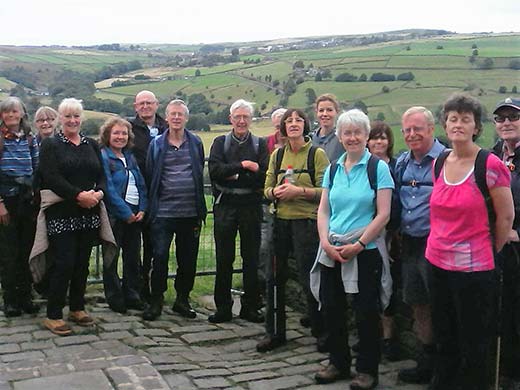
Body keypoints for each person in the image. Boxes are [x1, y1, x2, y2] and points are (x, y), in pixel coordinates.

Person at [426, 93, 514, 390]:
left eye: (466, 119)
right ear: (445, 125)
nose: (458, 124)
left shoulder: (488, 164)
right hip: (437, 263)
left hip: (474, 271)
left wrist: (489, 252)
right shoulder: (439, 162)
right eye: (453, 119)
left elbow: (505, 218)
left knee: (474, 341)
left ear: (477, 127)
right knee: (445, 334)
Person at [311, 109, 393, 389]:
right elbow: (324, 210)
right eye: (347, 132)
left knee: (366, 312)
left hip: (365, 250)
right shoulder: (333, 168)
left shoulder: (377, 169)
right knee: (332, 309)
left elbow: (383, 214)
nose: (353, 137)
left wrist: (358, 244)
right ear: (339, 136)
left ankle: (368, 370)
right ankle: (338, 362)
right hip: (332, 249)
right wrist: (324, 241)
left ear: (367, 136)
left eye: (358, 132)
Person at [257, 108, 329, 352]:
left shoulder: (317, 155)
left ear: (305, 126)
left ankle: (322, 332)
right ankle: (274, 332)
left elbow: (326, 192)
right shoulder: (277, 156)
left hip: (306, 224)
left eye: (299, 120)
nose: (294, 124)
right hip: (279, 222)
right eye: (290, 121)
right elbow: (265, 189)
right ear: (284, 128)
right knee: (273, 278)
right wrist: (274, 193)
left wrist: (300, 192)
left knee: (311, 279)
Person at [38, 98, 107, 335]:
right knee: (63, 262)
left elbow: (102, 174)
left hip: (89, 213)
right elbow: (51, 177)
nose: (72, 120)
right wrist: (78, 196)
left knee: (82, 263)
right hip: (62, 212)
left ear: (82, 118)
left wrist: (99, 194)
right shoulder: (51, 145)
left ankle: (77, 308)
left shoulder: (92, 144)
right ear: (60, 118)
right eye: (67, 116)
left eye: (76, 116)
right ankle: (53, 314)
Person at [394, 106, 445, 384]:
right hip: (410, 244)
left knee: (440, 305)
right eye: (407, 130)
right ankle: (426, 363)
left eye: (418, 129)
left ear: (431, 129)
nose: (412, 134)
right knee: (418, 305)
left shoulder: (446, 161)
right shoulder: (402, 163)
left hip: (437, 247)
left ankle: (444, 368)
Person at [143, 99, 206, 321]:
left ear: (186, 118)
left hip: (190, 212)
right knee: (159, 258)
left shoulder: (196, 142)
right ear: (166, 118)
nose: (177, 118)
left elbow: (198, 171)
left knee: (187, 260)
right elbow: (151, 175)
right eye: (173, 114)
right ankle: (156, 300)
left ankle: (182, 300)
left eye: (180, 114)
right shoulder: (157, 144)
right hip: (163, 213)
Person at [208, 99, 268, 324]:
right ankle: (223, 308)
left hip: (251, 207)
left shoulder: (259, 144)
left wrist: (232, 173)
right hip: (225, 206)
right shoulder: (220, 142)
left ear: (250, 120)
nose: (242, 121)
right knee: (224, 259)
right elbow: (214, 171)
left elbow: (263, 175)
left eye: (246, 117)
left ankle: (250, 307)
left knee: (251, 259)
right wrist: (244, 166)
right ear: (230, 118)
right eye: (238, 117)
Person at [99, 116, 147, 314]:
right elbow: (108, 189)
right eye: (116, 133)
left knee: (133, 256)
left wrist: (143, 208)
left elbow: (141, 184)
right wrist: (125, 212)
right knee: (111, 256)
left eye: (124, 133)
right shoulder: (103, 156)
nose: (120, 137)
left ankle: (132, 294)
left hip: (136, 215)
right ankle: (114, 297)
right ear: (107, 135)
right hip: (115, 215)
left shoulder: (130, 157)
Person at [0, 97, 40, 317]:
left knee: (27, 250)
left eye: (14, 111)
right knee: (8, 253)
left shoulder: (29, 138)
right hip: (6, 200)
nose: (11, 116)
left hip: (26, 200)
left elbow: (36, 167)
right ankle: (10, 300)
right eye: (6, 112)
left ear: (22, 113)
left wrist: (36, 195)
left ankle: (26, 296)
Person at [492, 97, 520, 390]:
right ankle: (503, 373)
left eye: (513, 116)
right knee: (502, 312)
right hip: (497, 249)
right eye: (500, 118)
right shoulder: (491, 156)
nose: (507, 123)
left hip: (517, 247)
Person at [366, 121, 401, 361]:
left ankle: (389, 339)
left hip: (393, 236)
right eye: (374, 138)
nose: (379, 142)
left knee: (389, 287)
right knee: (369, 288)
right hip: (369, 236)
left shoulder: (397, 167)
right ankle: (372, 337)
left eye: (383, 138)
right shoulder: (364, 167)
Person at [129, 90, 168, 303]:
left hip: (162, 195)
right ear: (135, 106)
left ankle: (153, 290)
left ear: (156, 105)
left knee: (156, 246)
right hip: (137, 196)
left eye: (149, 103)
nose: (145, 106)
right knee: (134, 245)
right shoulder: (128, 128)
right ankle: (135, 290)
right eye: (141, 103)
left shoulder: (166, 127)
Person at [258, 108, 287, 302]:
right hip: (268, 202)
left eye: (283, 125)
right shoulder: (265, 143)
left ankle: (281, 291)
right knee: (264, 246)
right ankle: (263, 289)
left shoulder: (305, 146)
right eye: (277, 126)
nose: (281, 130)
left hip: (294, 205)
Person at [311, 94, 344, 161]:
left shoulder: (342, 137)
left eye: (329, 110)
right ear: (316, 113)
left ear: (337, 112)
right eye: (321, 110)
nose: (325, 114)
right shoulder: (310, 139)